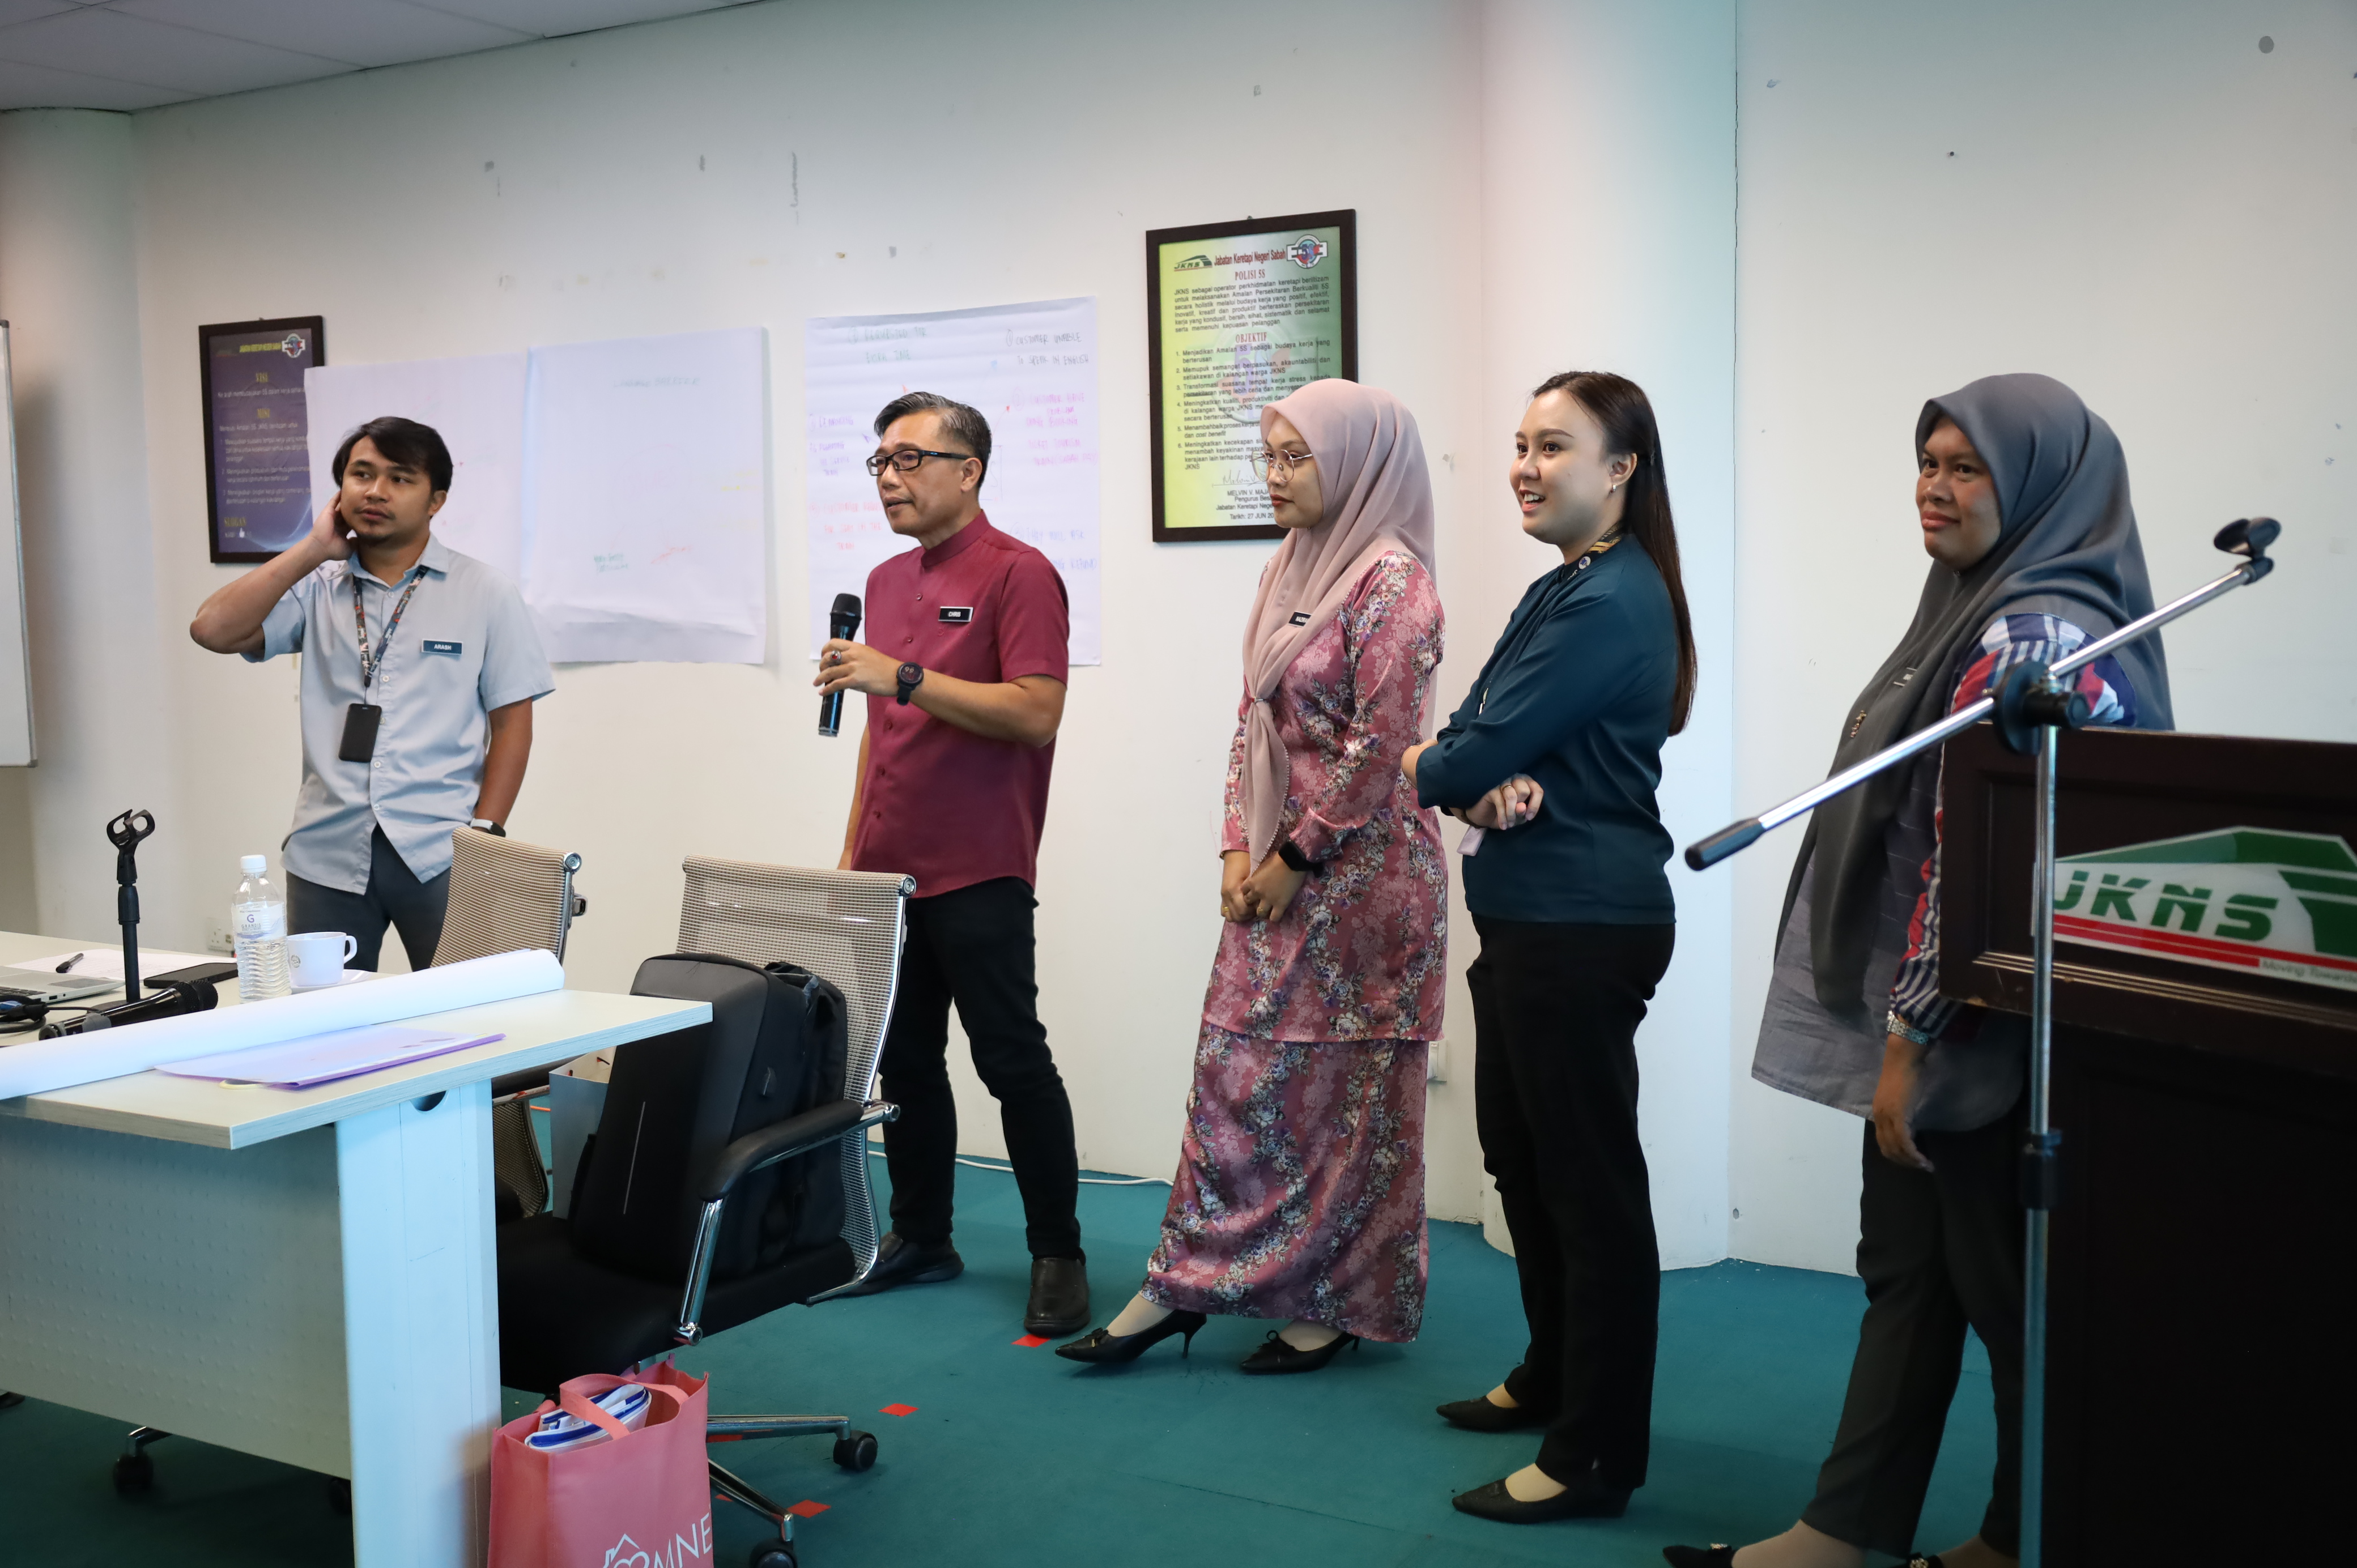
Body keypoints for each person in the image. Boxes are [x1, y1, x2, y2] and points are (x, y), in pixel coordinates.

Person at [1663, 374, 2171, 1568]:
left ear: (2039, 484)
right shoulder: (1979, 606)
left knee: (2006, 1298)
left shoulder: (2034, 634)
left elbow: (1985, 865)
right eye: (1927, 463)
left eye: (1965, 467)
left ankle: (2026, 1533)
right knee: (1911, 1272)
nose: (1933, 490)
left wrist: (1913, 1037)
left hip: (1988, 1042)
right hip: (1955, 1024)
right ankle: (1848, 1529)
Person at [1056, 379, 1446, 1373]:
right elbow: (1253, 722)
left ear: (1357, 464)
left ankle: (1336, 1302)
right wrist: (1238, 845)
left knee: (1353, 1101)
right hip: (1277, 864)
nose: (1272, 476)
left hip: (1365, 883)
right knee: (1232, 1080)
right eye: (1267, 455)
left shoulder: (1395, 584)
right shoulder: (1289, 567)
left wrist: (1295, 857)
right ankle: (1182, 1282)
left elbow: (1380, 747)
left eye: (1294, 457)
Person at [1402, 370, 1697, 1524]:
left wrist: (1448, 772)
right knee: (1522, 1161)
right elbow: (1472, 735)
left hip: (1582, 924)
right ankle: (1554, 1373)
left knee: (1588, 1189)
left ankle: (1593, 1454)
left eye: (1554, 446)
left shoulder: (1612, 599)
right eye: (1520, 444)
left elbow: (1457, 752)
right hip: (1531, 918)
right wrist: (1465, 776)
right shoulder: (1563, 582)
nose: (1525, 466)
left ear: (1621, 468)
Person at [814, 390, 1088, 1338]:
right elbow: (879, 732)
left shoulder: (1020, 572)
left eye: (909, 459)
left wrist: (903, 675)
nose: (889, 478)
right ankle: (922, 1236)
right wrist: (852, 853)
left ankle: (1058, 1251)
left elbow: (1037, 712)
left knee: (1012, 1059)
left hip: (980, 865)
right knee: (904, 1063)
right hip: (889, 872)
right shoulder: (885, 580)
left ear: (968, 471)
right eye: (879, 462)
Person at [190, 416, 552, 972]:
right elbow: (212, 630)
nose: (376, 491)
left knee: (465, 1007)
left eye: (399, 479)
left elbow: (512, 725)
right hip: (326, 850)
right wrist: (314, 549)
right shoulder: (316, 587)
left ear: (436, 500)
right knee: (322, 1011)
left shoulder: (485, 593)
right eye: (361, 474)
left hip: (442, 851)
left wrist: (485, 836)